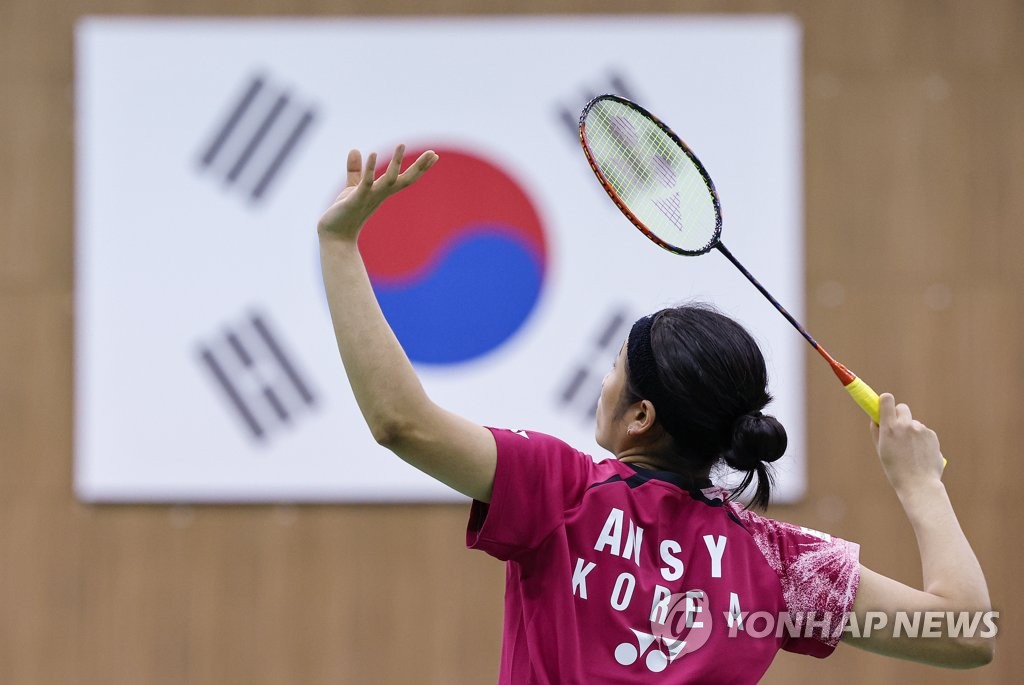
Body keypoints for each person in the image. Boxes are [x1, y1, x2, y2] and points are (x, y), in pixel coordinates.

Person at [317, 145, 994, 683]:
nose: (603, 380)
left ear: (640, 415)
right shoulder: (779, 563)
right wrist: (920, 484)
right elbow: (965, 635)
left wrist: (341, 246)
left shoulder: (563, 490)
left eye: (615, 368)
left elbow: (400, 421)